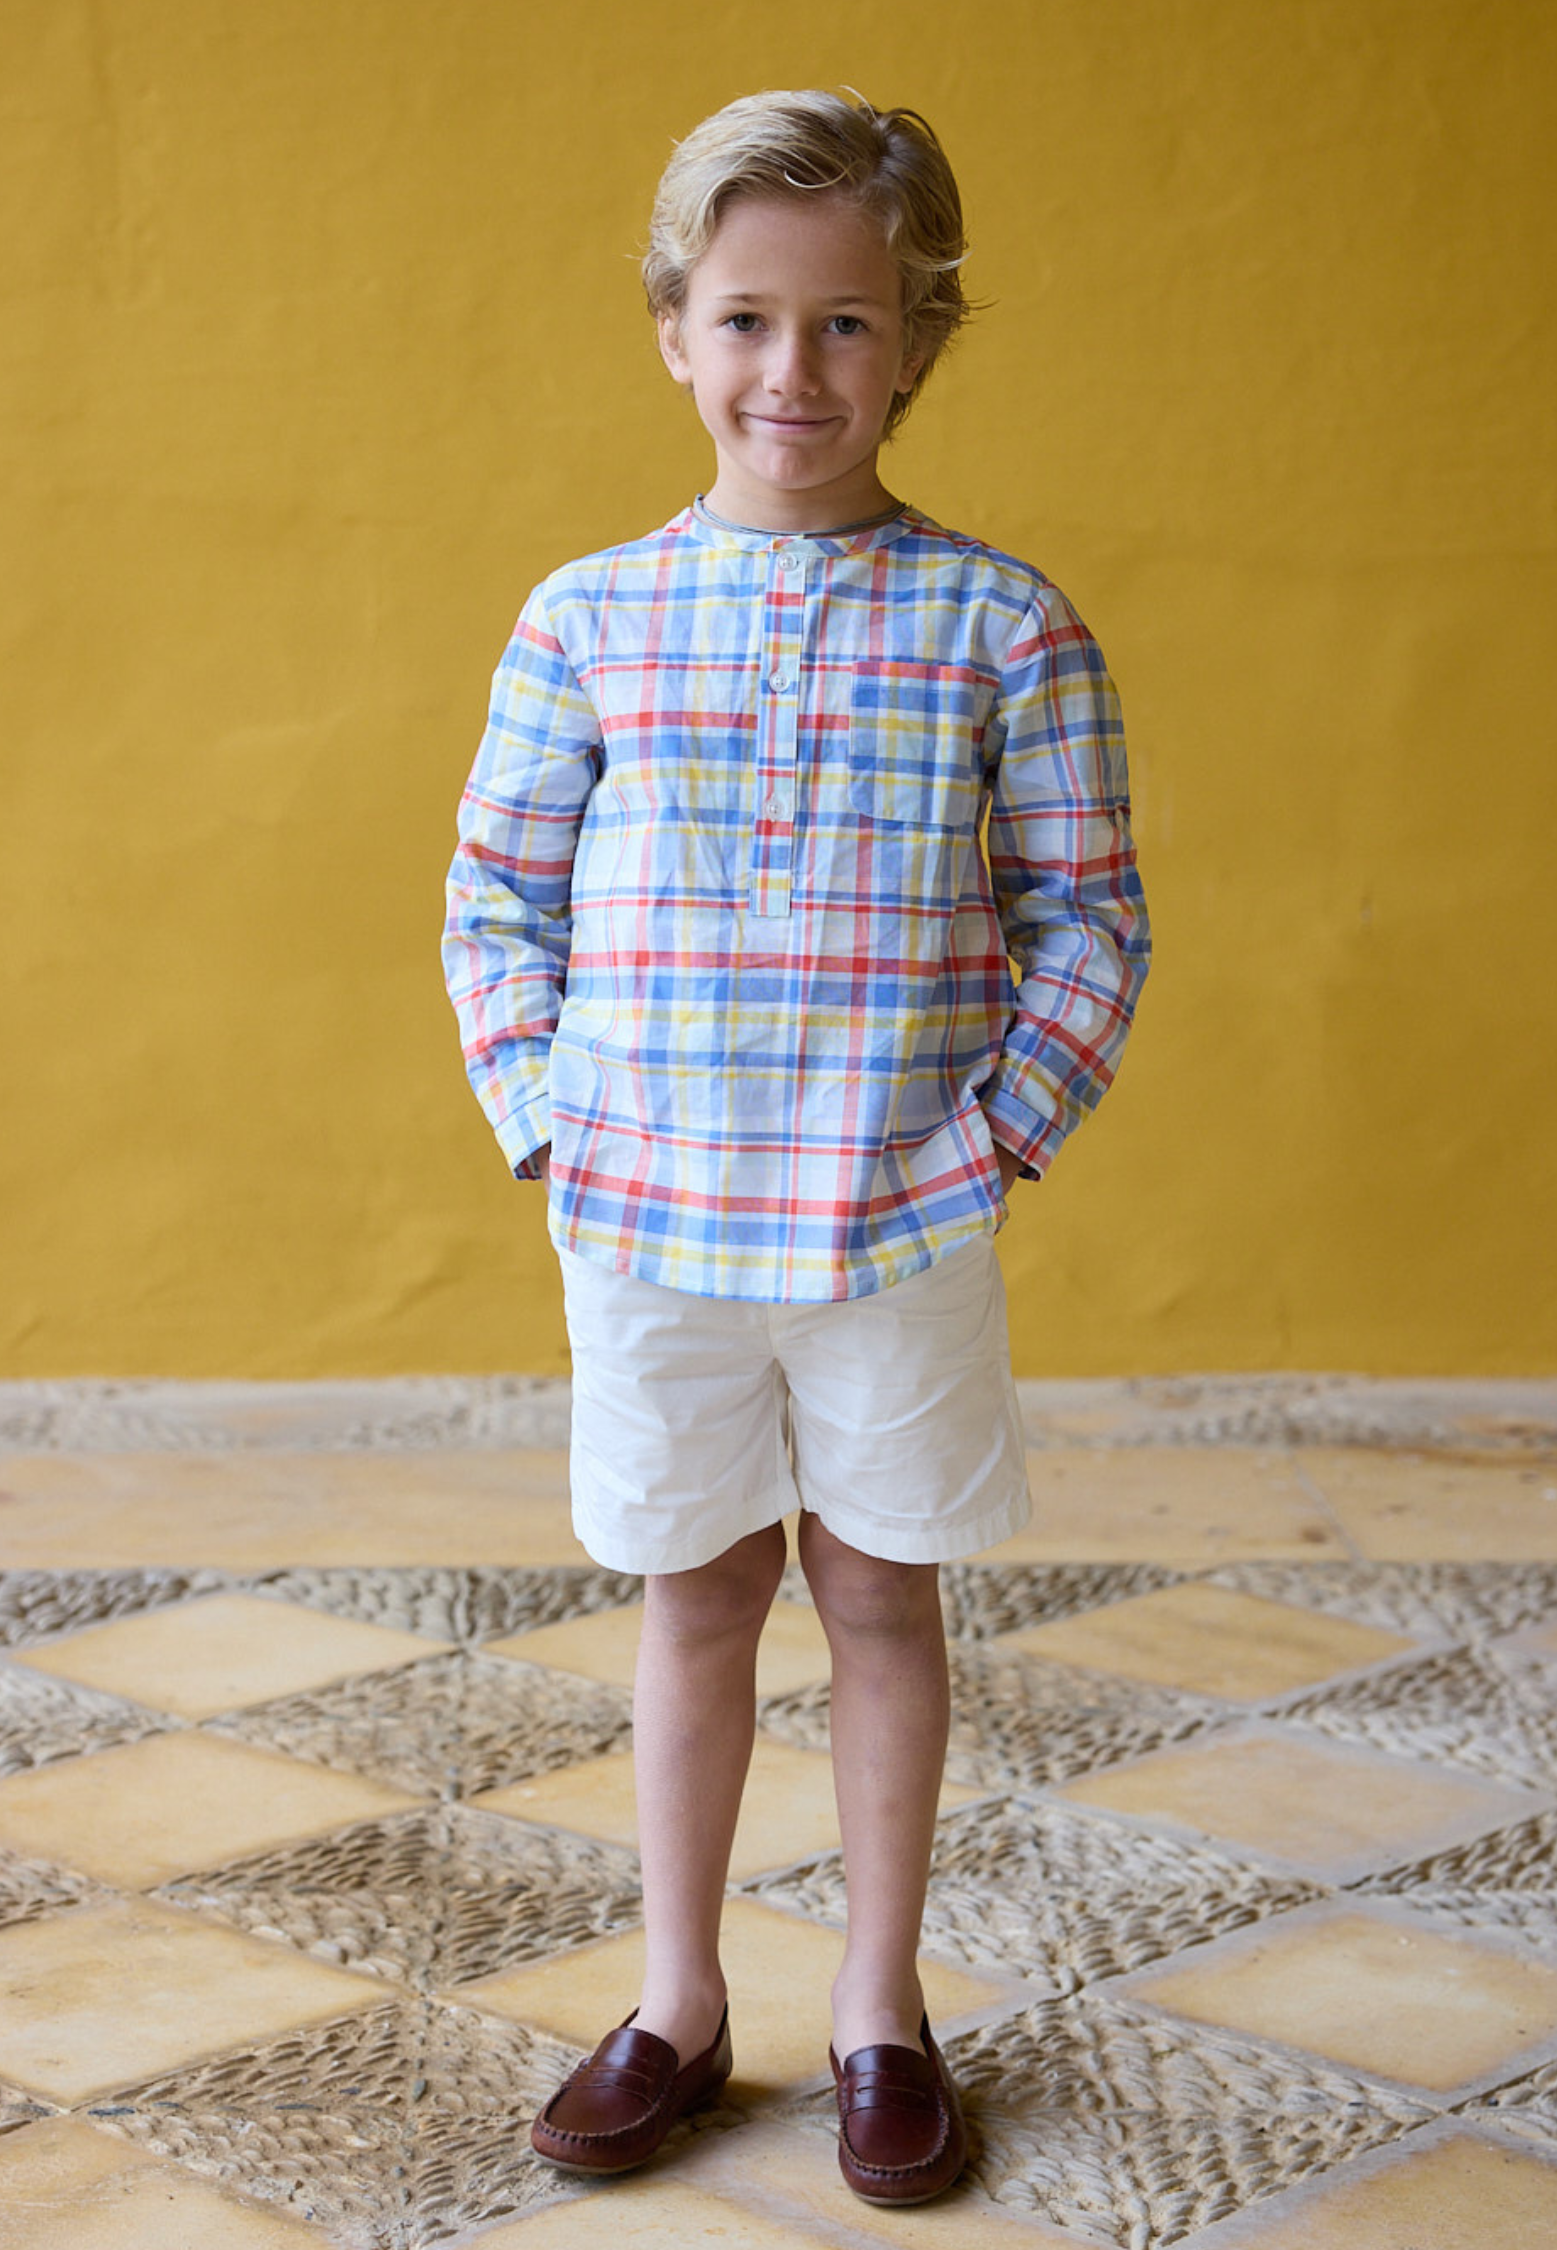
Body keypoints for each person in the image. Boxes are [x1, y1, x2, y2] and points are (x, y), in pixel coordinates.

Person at [442, 88, 1150, 2206]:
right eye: (750, 319)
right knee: (694, 1595)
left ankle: (877, 2007)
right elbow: (498, 897)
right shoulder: (586, 618)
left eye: (848, 326)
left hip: (896, 1221)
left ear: (918, 340)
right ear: (673, 329)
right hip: (650, 1215)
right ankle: (676, 1999)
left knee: (880, 1599)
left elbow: (1087, 915)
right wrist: (553, 1132)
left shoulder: (1002, 627)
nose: (795, 374)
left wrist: (993, 1140)